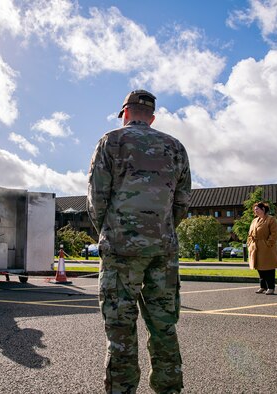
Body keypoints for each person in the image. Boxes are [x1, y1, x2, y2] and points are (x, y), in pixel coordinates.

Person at [87, 89, 191, 393]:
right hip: (163, 249)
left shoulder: (112, 141)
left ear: (125, 113)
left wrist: (108, 232)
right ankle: (169, 388)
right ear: (153, 117)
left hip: (120, 250)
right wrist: (162, 229)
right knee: (163, 326)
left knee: (120, 329)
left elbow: (97, 198)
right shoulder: (175, 147)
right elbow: (183, 200)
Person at [247, 202, 277, 295]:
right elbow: (250, 234)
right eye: (254, 209)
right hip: (255, 247)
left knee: (269, 268)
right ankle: (263, 286)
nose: (255, 211)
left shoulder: (271, 219)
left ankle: (271, 287)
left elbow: (274, 234)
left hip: (266, 248)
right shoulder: (254, 221)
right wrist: (249, 243)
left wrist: (268, 243)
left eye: (257, 209)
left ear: (263, 209)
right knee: (259, 267)